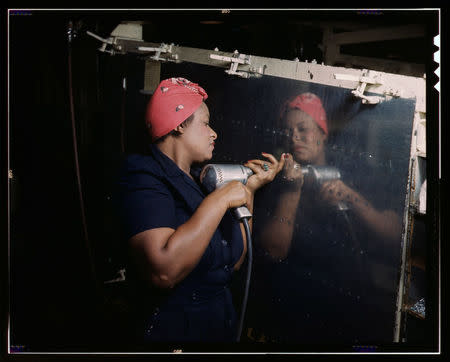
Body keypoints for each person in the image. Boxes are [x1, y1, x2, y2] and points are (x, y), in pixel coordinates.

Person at [115, 77, 285, 344]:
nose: (213, 133)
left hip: (218, 323)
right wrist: (219, 201)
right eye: (205, 124)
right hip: (173, 332)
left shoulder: (198, 181)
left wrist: (249, 190)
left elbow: (236, 261)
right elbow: (163, 271)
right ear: (180, 124)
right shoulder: (144, 177)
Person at [247, 92, 403, 344]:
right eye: (288, 130)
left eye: (303, 129)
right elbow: (273, 250)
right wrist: (292, 190)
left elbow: (395, 234)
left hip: (347, 305)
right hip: (292, 309)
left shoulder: (354, 170)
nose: (295, 136)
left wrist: (351, 197)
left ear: (323, 132)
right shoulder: (274, 179)